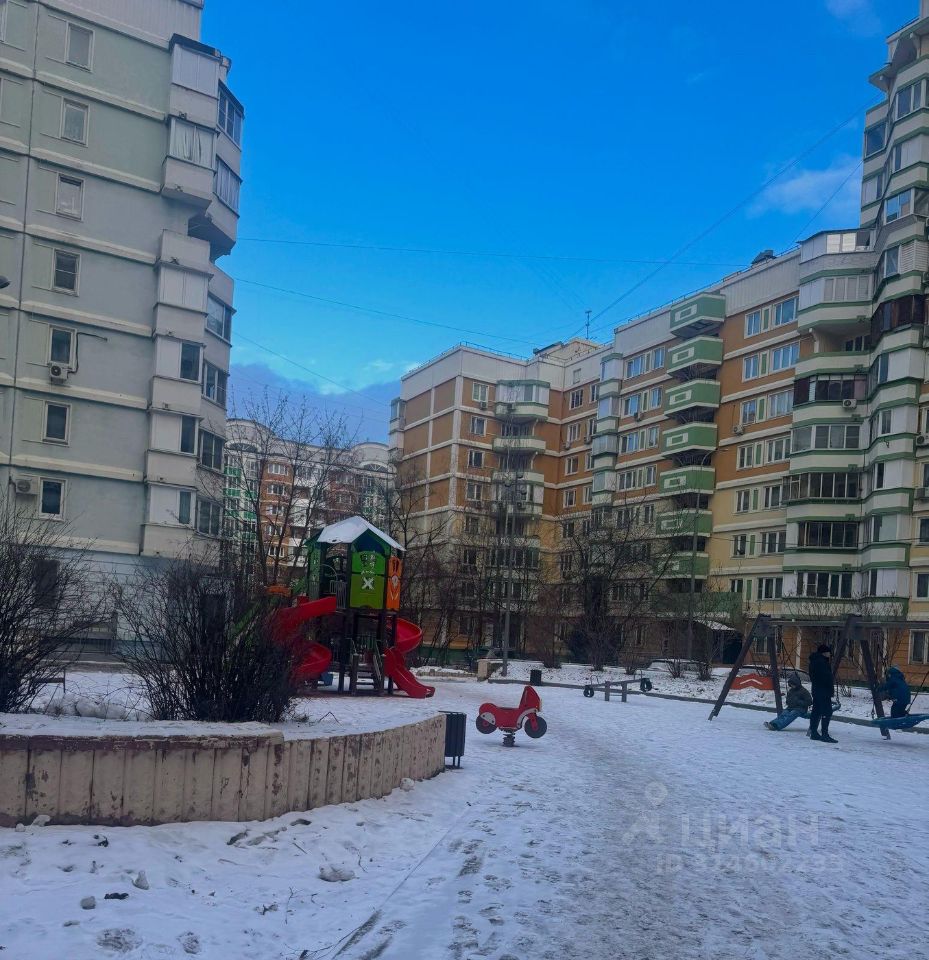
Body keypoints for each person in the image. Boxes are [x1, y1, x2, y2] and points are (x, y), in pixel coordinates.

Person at [808, 643, 837, 743]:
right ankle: (825, 734)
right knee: (827, 712)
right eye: (829, 652)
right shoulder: (822, 662)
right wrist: (829, 686)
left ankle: (814, 733)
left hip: (816, 690)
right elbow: (826, 677)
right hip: (823, 691)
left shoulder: (814, 661)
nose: (830, 654)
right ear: (824, 653)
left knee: (816, 711)